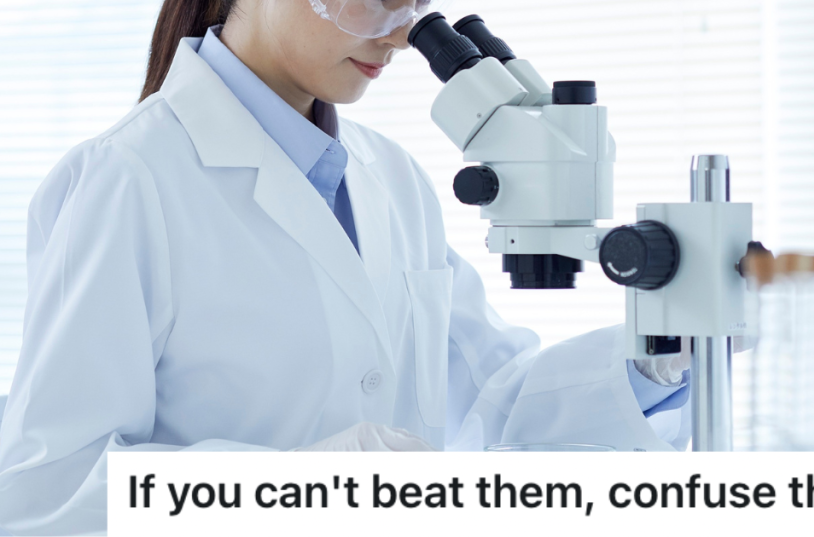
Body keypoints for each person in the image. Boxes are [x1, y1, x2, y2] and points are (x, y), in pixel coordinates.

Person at [0, 0, 691, 533]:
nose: (400, 35)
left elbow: (493, 400)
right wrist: (296, 489)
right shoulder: (127, 177)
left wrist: (661, 353)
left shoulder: (390, 175)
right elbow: (49, 490)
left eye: (412, 4)